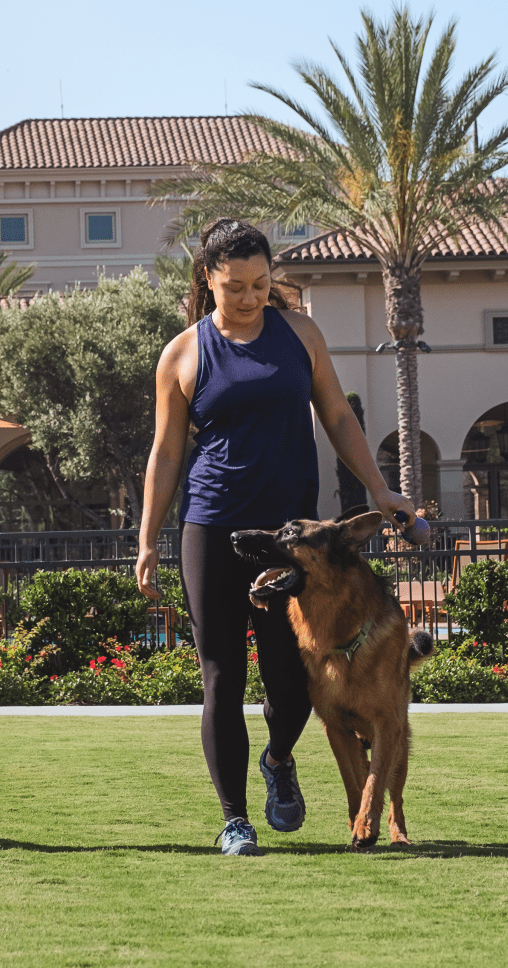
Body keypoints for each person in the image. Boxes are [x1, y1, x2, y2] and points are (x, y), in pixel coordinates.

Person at [135, 219, 415, 856]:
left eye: (261, 283)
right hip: (211, 526)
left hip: (290, 538)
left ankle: (279, 756)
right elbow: (167, 451)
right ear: (208, 280)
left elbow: (338, 414)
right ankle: (234, 819)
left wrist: (380, 490)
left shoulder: (300, 334)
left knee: (291, 683)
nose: (250, 296)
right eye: (235, 286)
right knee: (220, 677)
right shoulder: (183, 353)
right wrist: (149, 537)